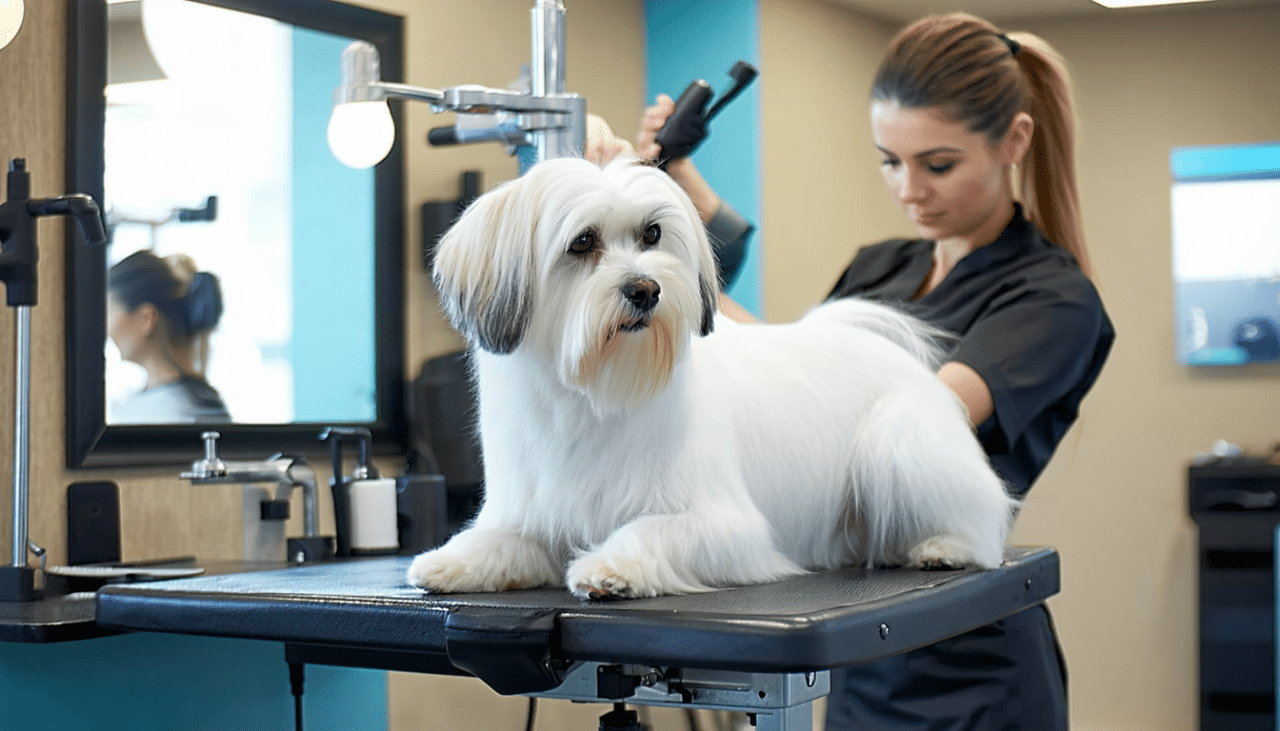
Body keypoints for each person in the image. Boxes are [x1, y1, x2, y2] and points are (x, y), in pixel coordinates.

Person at [591, 11, 1115, 731]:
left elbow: (905, 422)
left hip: (973, 671)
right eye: (889, 161)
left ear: (1013, 142)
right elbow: (791, 377)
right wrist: (670, 201)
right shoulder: (883, 266)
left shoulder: (1053, 300)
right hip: (862, 659)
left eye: (937, 164)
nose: (908, 188)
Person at [107, 249, 232, 424]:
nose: (108, 329)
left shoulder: (154, 414)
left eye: (110, 312)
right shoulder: (207, 402)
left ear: (146, 318)